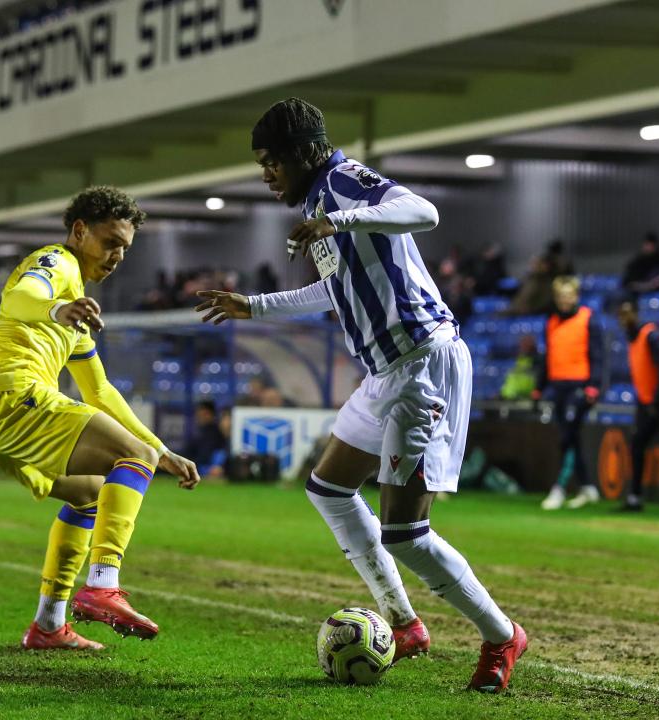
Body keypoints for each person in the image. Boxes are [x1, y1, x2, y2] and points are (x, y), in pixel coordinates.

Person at [195, 98, 526, 693]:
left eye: (272, 161)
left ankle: (502, 636)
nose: (266, 174)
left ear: (302, 153)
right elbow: (335, 289)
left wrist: (341, 222)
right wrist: (256, 305)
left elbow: (422, 211)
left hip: (424, 364)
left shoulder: (343, 182)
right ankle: (403, 624)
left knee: (406, 532)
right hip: (385, 373)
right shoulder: (320, 202)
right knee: (328, 488)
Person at [0, 186, 199, 652]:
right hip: (13, 398)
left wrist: (163, 452)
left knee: (92, 492)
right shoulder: (57, 263)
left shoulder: (78, 310)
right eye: (110, 243)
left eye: (124, 248)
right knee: (133, 457)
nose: (117, 256)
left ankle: (48, 625)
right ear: (79, 231)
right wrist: (56, 308)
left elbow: (100, 391)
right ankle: (102, 584)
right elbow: (19, 299)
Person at [534, 276, 602, 510]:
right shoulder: (551, 322)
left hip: (580, 387)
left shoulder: (588, 319)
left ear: (576, 296)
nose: (564, 300)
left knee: (567, 437)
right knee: (569, 438)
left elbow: (598, 355)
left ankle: (559, 489)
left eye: (568, 295)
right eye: (560, 296)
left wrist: (594, 385)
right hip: (558, 387)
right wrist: (539, 386)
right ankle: (587, 487)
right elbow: (547, 357)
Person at [617, 300, 659, 513]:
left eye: (628, 313)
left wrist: (656, 400)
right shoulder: (632, 339)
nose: (625, 318)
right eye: (621, 314)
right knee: (637, 444)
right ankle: (635, 497)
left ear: (636, 314)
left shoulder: (652, 336)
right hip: (648, 401)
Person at [184, 400, 229, 478]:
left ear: (210, 414)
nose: (200, 417)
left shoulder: (216, 432)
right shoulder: (200, 432)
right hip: (198, 467)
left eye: (203, 414)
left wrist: (216, 467)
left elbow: (211, 455)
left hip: (206, 469)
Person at [499, 335, 538, 401]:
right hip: (511, 396)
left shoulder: (536, 361)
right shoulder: (519, 361)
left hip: (525, 396)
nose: (521, 347)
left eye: (524, 345)